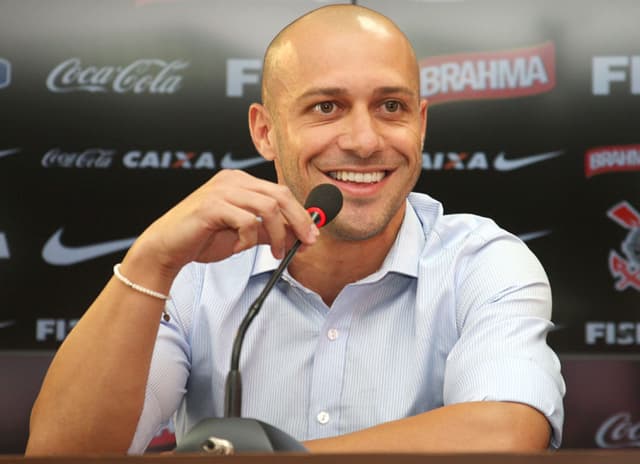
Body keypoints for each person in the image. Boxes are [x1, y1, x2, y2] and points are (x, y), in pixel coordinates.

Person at [26, 4, 564, 455]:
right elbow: (63, 454)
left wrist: (256, 457)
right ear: (265, 130)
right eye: (326, 107)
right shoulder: (195, 270)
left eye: (391, 107)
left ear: (420, 124)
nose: (364, 140)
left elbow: (506, 433)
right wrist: (151, 262)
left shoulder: (482, 261)